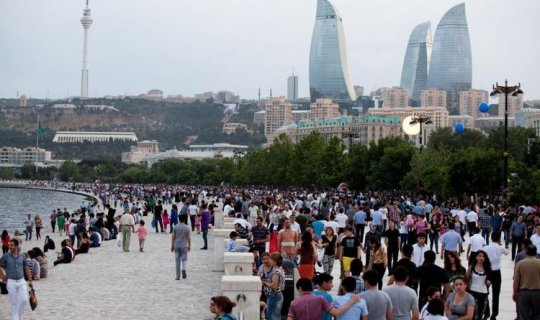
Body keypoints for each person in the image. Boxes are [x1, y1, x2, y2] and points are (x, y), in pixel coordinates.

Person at [287, 277, 360, 320]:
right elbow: (336, 313)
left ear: (300, 288)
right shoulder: (320, 299)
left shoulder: (294, 303)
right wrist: (351, 301)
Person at [0, 239, 33, 320]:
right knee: (14, 303)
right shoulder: (5, 256)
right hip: (11, 282)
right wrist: (2, 276)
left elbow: (26, 267)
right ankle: (16, 318)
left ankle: (19, 316)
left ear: (17, 246)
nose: (10, 247)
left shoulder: (23, 256)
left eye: (12, 245)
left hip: (22, 281)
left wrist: (30, 280)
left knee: (24, 300)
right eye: (9, 245)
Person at [482, 231, 508, 320]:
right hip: (497, 273)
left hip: (488, 272)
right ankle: (494, 314)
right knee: (496, 295)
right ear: (498, 238)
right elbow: (507, 253)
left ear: (491, 238)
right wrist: (500, 244)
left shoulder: (486, 248)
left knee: (485, 292)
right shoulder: (500, 248)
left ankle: (486, 312)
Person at [513, 244, 540, 320]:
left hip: (524, 293)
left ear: (526, 252)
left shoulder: (520, 263)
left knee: (524, 316)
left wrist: (515, 293)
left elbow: (516, 281)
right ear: (536, 252)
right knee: (537, 315)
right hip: (537, 293)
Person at [259, 252, 285, 320]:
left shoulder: (276, 271)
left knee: (271, 316)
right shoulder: (279, 268)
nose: (269, 261)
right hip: (276, 295)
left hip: (274, 295)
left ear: (275, 261)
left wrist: (264, 282)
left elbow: (274, 286)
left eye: (270, 259)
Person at [466, 250, 491, 320]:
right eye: (479, 256)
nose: (481, 258)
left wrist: (489, 282)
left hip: (484, 292)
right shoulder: (472, 267)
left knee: (482, 313)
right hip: (473, 292)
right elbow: (466, 279)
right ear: (476, 257)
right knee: (475, 313)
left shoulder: (487, 268)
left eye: (483, 256)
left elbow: (489, 279)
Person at [171, 214, 191, 280]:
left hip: (176, 245)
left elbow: (173, 237)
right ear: (185, 219)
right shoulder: (187, 227)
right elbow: (188, 238)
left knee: (177, 261)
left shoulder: (175, 227)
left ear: (179, 219)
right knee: (184, 259)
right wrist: (189, 246)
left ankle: (177, 276)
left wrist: (172, 245)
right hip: (184, 245)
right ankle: (184, 270)